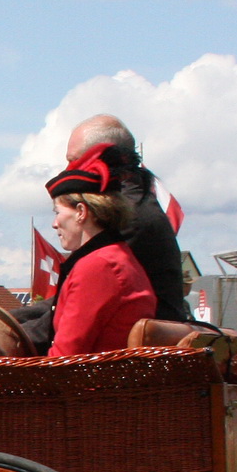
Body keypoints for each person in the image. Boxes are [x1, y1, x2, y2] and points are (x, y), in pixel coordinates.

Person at [66, 114, 189, 323]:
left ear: (99, 159)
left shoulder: (125, 217)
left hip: (132, 350)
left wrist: (5, 323)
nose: (66, 172)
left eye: (73, 161)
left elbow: (69, 302)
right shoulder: (135, 205)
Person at [45, 145, 157, 356]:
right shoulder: (117, 256)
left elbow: (65, 357)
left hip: (91, 387)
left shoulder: (99, 266)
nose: (54, 223)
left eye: (57, 212)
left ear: (81, 212)